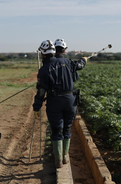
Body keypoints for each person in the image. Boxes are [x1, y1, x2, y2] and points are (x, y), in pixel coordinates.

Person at [33, 39, 88, 168]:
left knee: (57, 130)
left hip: (55, 102)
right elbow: (79, 65)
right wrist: (84, 59)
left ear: (43, 54)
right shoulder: (68, 62)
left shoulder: (44, 69)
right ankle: (65, 157)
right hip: (70, 101)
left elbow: (41, 92)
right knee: (67, 129)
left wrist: (37, 107)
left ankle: (58, 161)